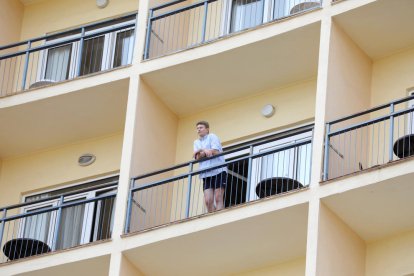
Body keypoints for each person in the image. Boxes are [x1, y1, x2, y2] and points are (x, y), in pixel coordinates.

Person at [193, 121, 227, 212]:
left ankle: (220, 216)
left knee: (218, 197)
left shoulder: (212, 136)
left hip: (218, 170)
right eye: (197, 128)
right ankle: (211, 218)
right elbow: (196, 157)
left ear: (207, 129)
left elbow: (216, 151)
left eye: (201, 127)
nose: (198, 130)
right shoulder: (196, 142)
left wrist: (201, 152)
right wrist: (204, 150)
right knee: (208, 201)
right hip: (206, 173)